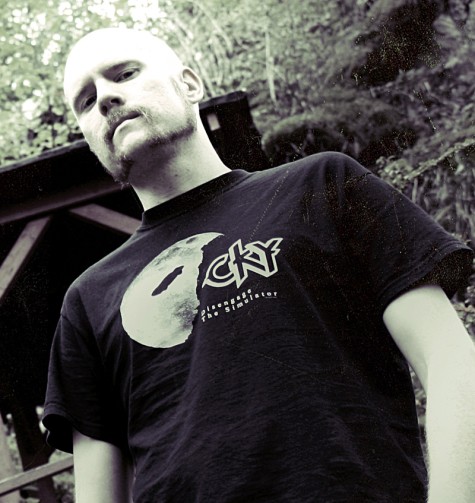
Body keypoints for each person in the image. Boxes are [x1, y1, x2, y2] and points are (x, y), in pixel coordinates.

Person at [42, 27, 475, 503]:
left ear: (189, 84)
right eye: (86, 101)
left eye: (124, 74)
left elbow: (449, 359)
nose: (105, 98)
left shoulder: (322, 185)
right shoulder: (87, 300)